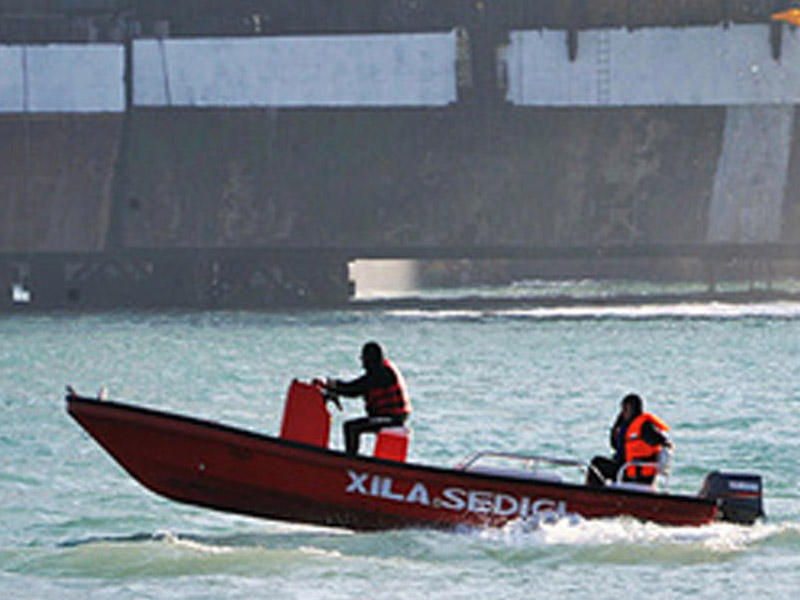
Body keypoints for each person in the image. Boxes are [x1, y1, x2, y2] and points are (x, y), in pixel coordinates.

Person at [314, 342, 411, 456]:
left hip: (391, 419)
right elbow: (354, 388)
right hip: (389, 417)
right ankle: (352, 458)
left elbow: (354, 389)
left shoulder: (381, 374)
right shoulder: (382, 372)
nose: (363, 365)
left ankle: (351, 460)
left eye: (364, 360)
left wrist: (333, 386)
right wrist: (333, 388)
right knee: (353, 426)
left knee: (351, 427)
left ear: (370, 360)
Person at [586, 393, 673, 487]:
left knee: (596, 464)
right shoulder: (628, 427)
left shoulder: (645, 426)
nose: (623, 413)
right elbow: (615, 445)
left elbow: (662, 442)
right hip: (625, 469)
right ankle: (598, 492)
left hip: (636, 474)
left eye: (625, 409)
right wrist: (617, 425)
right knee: (598, 464)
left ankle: (592, 493)